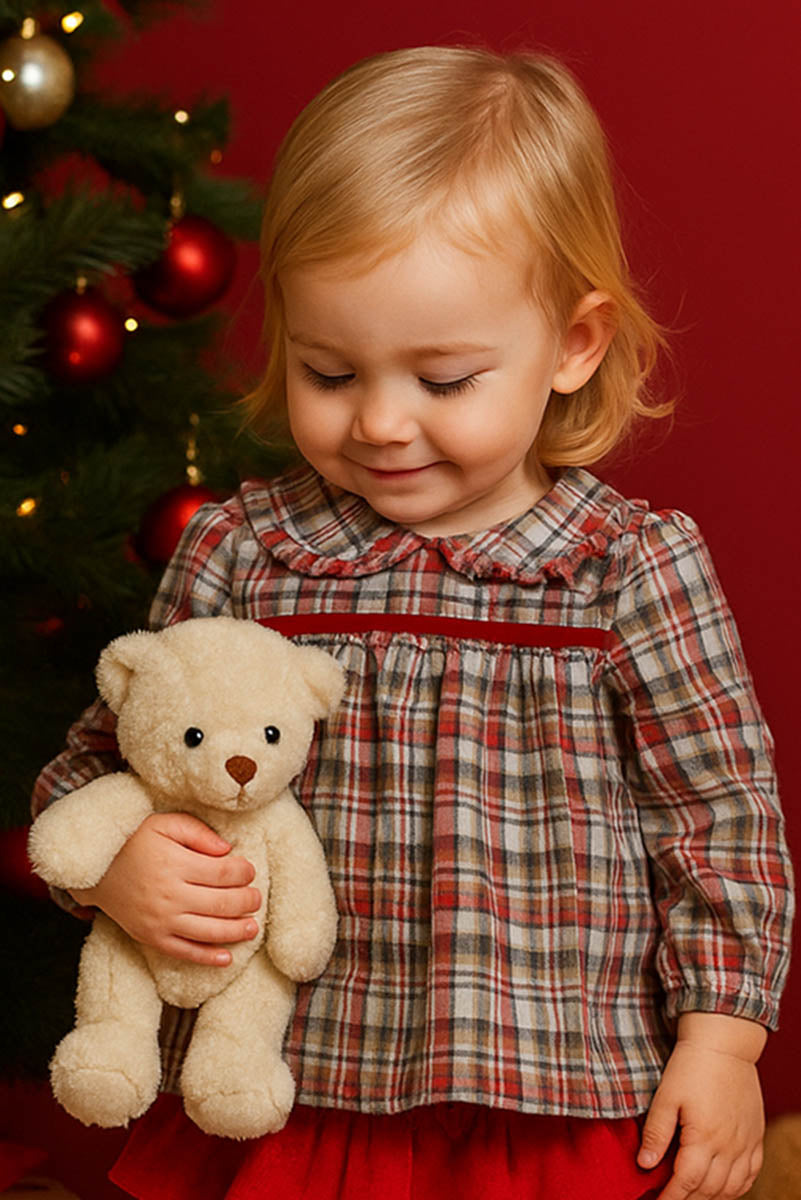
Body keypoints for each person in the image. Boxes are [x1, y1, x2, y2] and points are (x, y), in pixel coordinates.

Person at [32, 45, 793, 1200]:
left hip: (547, 1089)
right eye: (331, 371)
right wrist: (117, 871)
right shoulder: (245, 550)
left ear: (571, 345)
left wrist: (722, 1038)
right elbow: (100, 764)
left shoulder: (624, 567)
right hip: (283, 1081)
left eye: (444, 380)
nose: (383, 423)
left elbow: (721, 820)